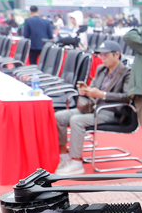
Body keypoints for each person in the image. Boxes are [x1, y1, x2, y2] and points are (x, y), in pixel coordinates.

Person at [54, 40, 132, 176]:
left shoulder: (127, 73)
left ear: (117, 55)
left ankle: (76, 163)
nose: (102, 58)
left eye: (105, 55)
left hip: (111, 111)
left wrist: (102, 94)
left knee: (76, 120)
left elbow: (127, 97)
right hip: (92, 107)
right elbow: (93, 88)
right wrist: (86, 90)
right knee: (59, 117)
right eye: (101, 55)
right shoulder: (101, 69)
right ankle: (63, 156)